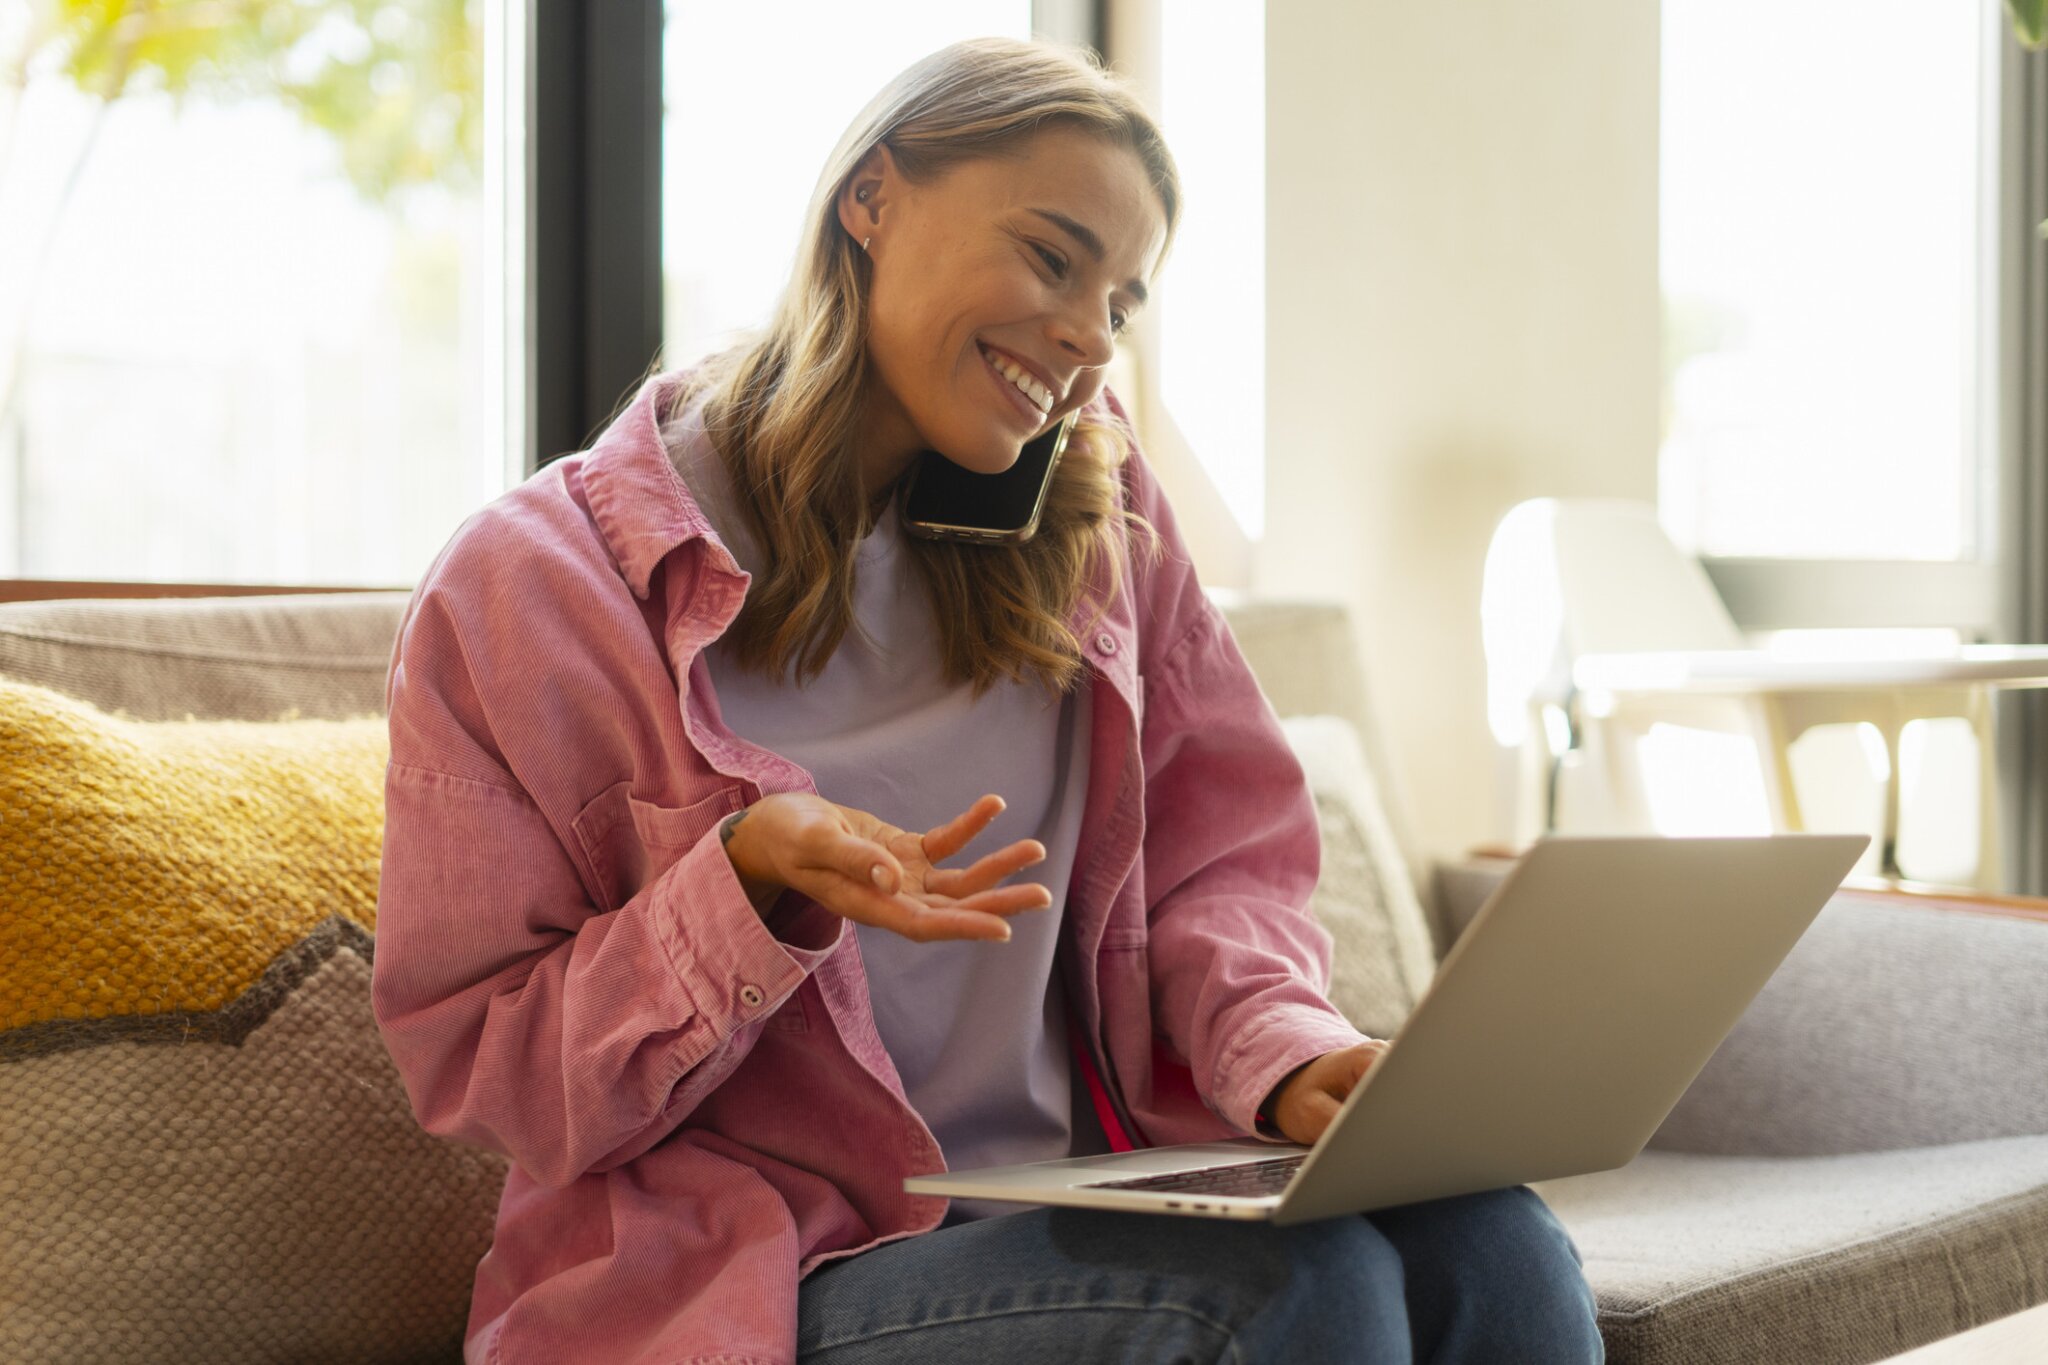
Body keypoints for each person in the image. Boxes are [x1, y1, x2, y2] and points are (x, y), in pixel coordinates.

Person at [371, 36, 1604, 1365]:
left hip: (1059, 1202)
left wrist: (1286, 1051)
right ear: (874, 198)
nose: (1088, 337)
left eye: (1122, 301)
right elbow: (488, 1069)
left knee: (1493, 1236)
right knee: (1285, 1291)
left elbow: (1220, 857)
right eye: (1053, 257)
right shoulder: (532, 590)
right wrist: (739, 883)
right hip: (763, 1280)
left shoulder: (1102, 511)